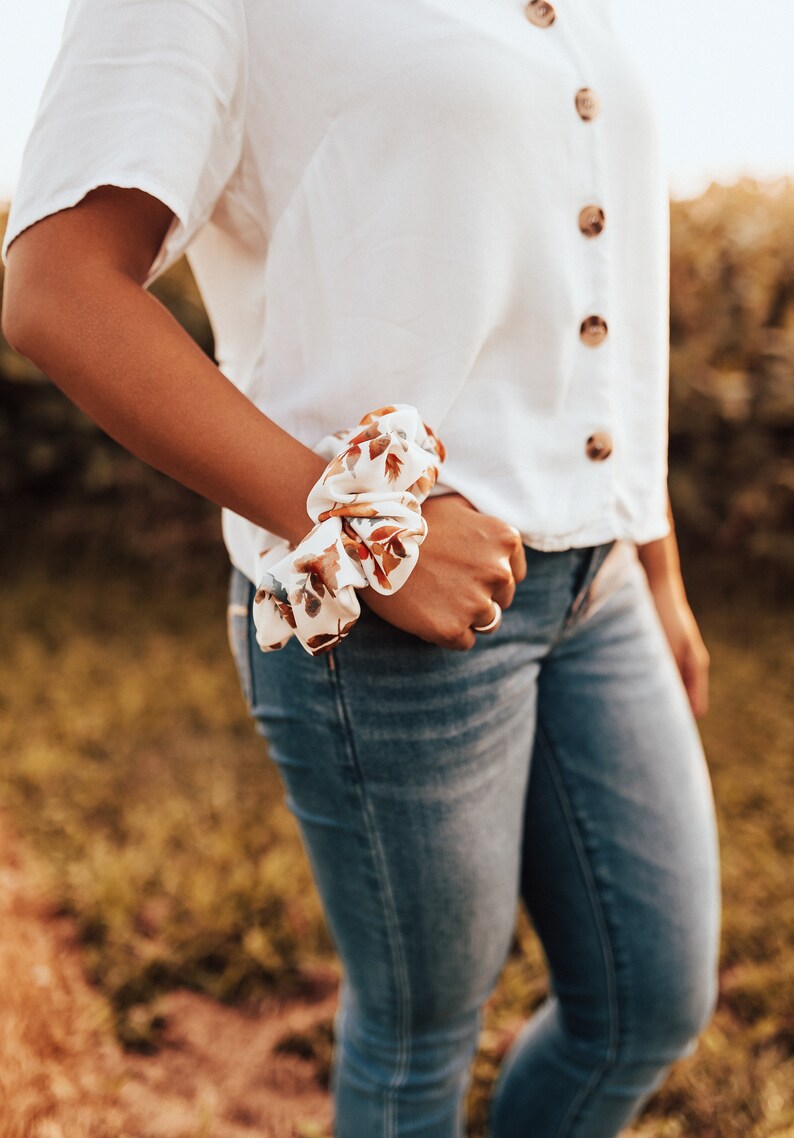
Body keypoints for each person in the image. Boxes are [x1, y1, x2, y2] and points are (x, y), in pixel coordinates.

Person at [2, 0, 721, 1134]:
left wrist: (657, 564)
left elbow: (598, 295)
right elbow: (59, 287)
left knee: (648, 1004)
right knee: (420, 1030)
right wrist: (360, 522)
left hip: (602, 577)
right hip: (385, 612)